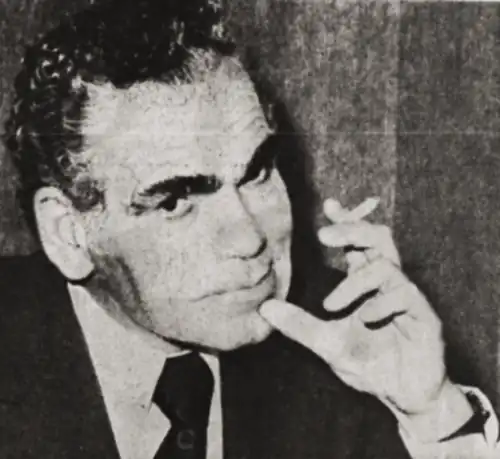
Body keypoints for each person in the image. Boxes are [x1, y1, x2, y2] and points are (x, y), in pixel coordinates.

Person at [0, 0, 498, 458]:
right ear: (69, 233)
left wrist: (432, 414)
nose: (250, 238)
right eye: (175, 202)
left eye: (256, 173)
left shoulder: (346, 339)